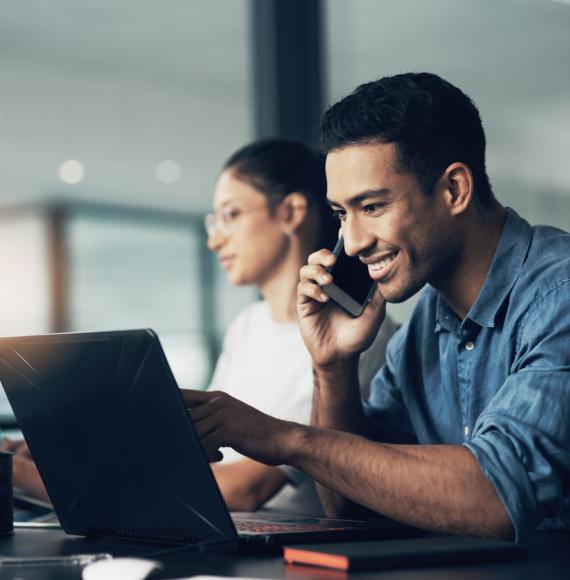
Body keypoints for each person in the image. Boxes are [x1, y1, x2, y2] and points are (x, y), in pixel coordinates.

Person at [183, 73, 570, 542]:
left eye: (372, 207)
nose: (354, 241)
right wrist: (332, 365)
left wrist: (282, 438)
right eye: (342, 214)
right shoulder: (427, 321)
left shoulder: (558, 295)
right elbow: (350, 501)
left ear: (454, 190)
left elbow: (497, 497)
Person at [3, 138, 397, 514]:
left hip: (289, 546)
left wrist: (38, 479)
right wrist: (70, 458)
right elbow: (193, 457)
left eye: (231, 215)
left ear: (291, 213)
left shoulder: (354, 333)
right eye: (214, 221)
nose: (215, 241)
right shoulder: (248, 325)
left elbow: (244, 488)